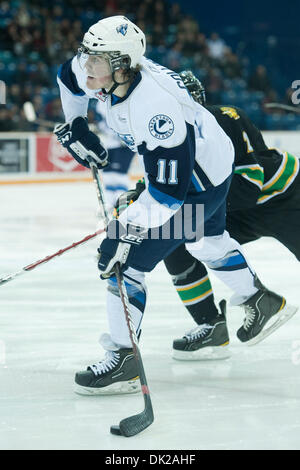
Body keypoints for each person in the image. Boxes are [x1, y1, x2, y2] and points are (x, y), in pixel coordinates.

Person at [54, 16, 295, 396]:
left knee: (125, 264)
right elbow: (66, 78)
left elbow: (168, 195)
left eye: (96, 59)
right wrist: (76, 123)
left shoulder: (154, 108)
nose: (87, 65)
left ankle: (124, 360)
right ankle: (259, 298)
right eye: (87, 55)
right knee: (205, 241)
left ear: (122, 64)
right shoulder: (109, 71)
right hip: (214, 170)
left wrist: (123, 232)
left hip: (196, 186)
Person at [117, 71, 299, 361]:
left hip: (286, 199)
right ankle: (211, 325)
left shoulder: (224, 118)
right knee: (175, 242)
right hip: (236, 206)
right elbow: (172, 182)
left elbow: (246, 187)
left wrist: (174, 206)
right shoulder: (164, 132)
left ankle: (257, 299)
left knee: (188, 227)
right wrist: (143, 198)